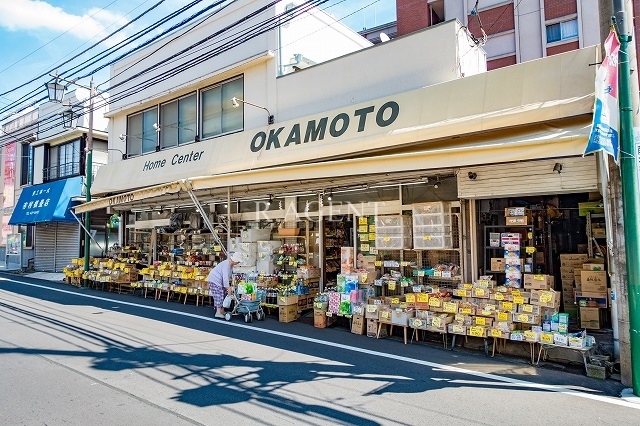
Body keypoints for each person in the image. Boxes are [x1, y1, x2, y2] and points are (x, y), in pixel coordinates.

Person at [208, 252, 244, 318]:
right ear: (235, 260)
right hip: (214, 280)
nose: (238, 262)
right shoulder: (226, 265)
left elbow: (227, 277)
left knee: (223, 294)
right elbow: (225, 278)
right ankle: (218, 312)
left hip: (218, 280)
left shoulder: (230, 265)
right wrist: (228, 288)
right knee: (219, 295)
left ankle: (222, 311)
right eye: (238, 261)